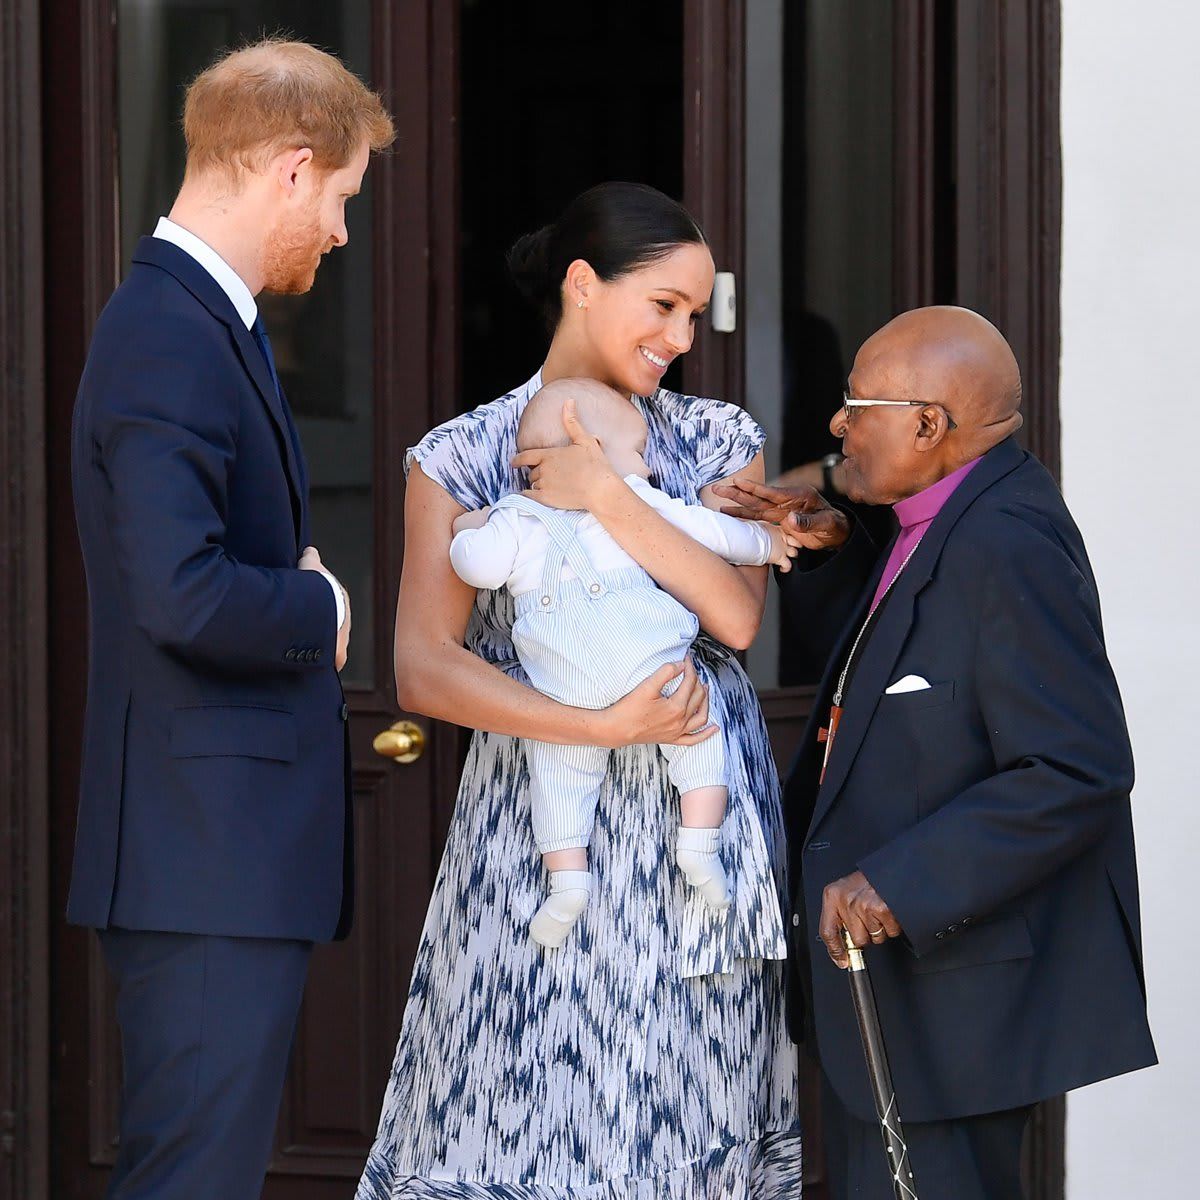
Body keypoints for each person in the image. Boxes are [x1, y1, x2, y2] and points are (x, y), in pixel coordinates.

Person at [359, 182, 802, 1198]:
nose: (682, 335)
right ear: (581, 285)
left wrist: (606, 490)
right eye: (664, 305)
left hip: (698, 825)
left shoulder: (714, 438)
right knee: (524, 1118)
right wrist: (595, 724)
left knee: (685, 1117)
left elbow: (734, 619)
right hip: (545, 825)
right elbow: (424, 667)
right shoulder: (465, 454)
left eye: (697, 313)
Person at [717, 306, 1157, 1199]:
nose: (837, 425)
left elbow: (1078, 769)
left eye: (856, 405)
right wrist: (838, 551)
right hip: (898, 1002)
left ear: (928, 423)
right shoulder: (939, 518)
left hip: (955, 1013)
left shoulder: (1007, 541)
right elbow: (915, 668)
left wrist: (901, 883)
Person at [67, 40, 394, 1200]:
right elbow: (182, 590)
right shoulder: (168, 331)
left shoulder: (205, 323)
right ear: (292, 169)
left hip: (214, 855)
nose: (343, 234)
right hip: (200, 857)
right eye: (345, 198)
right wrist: (323, 605)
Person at [450, 376, 800, 946]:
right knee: (699, 741)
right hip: (650, 666)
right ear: (591, 448)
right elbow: (715, 533)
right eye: (638, 452)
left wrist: (467, 529)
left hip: (564, 691)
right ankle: (699, 845)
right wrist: (768, 545)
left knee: (558, 785)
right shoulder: (643, 501)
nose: (649, 466)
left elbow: (477, 568)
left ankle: (567, 887)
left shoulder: (514, 519)